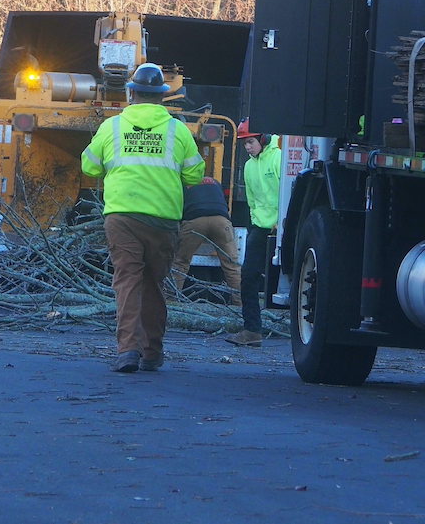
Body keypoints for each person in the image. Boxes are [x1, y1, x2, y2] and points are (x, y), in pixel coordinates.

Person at [81, 62, 204, 373]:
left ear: (131, 93)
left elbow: (89, 166)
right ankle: (152, 352)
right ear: (162, 96)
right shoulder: (178, 130)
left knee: (127, 281)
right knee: (153, 284)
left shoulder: (112, 127)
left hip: (122, 216)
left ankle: (127, 351)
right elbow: (194, 175)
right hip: (163, 219)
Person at [226, 119, 281, 347]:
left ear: (263, 139)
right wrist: (255, 224)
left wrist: (282, 222)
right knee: (248, 277)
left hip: (281, 227)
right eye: (244, 144)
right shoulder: (249, 166)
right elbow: (252, 201)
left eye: (250, 142)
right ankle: (251, 331)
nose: (247, 147)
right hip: (260, 227)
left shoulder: (278, 158)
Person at [169, 177, 243, 304]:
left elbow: (176, 209)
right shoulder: (215, 182)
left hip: (194, 221)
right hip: (221, 221)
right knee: (232, 266)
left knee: (180, 263)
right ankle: (240, 303)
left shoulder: (182, 183)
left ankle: (171, 300)